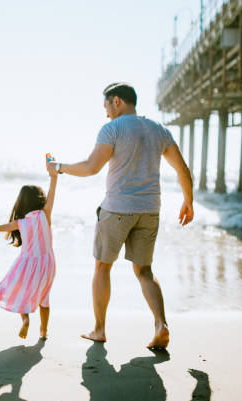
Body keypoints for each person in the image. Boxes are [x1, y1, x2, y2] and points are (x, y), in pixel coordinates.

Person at [47, 83, 193, 349]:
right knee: (145, 270)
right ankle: (161, 324)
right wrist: (188, 201)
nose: (105, 114)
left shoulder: (112, 129)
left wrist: (59, 167)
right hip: (150, 209)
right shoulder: (159, 130)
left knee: (103, 266)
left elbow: (91, 168)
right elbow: (182, 168)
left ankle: (99, 329)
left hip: (117, 209)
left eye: (106, 106)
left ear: (116, 101)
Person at [0, 165, 58, 339]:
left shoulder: (20, 222)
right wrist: (54, 176)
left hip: (27, 263)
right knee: (44, 298)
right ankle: (44, 331)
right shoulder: (45, 214)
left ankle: (25, 320)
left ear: (21, 202)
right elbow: (53, 192)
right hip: (47, 263)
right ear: (40, 200)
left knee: (21, 293)